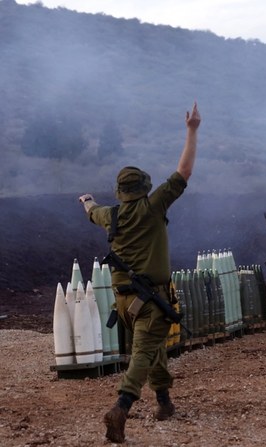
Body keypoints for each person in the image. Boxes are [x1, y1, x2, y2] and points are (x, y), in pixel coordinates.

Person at [79, 102, 201, 443]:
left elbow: (92, 210)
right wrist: (192, 130)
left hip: (124, 303)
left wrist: (87, 201)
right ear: (144, 186)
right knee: (145, 352)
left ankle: (164, 401)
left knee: (153, 348)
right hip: (151, 299)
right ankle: (121, 406)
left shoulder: (110, 215)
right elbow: (184, 172)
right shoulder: (154, 205)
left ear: (120, 191)